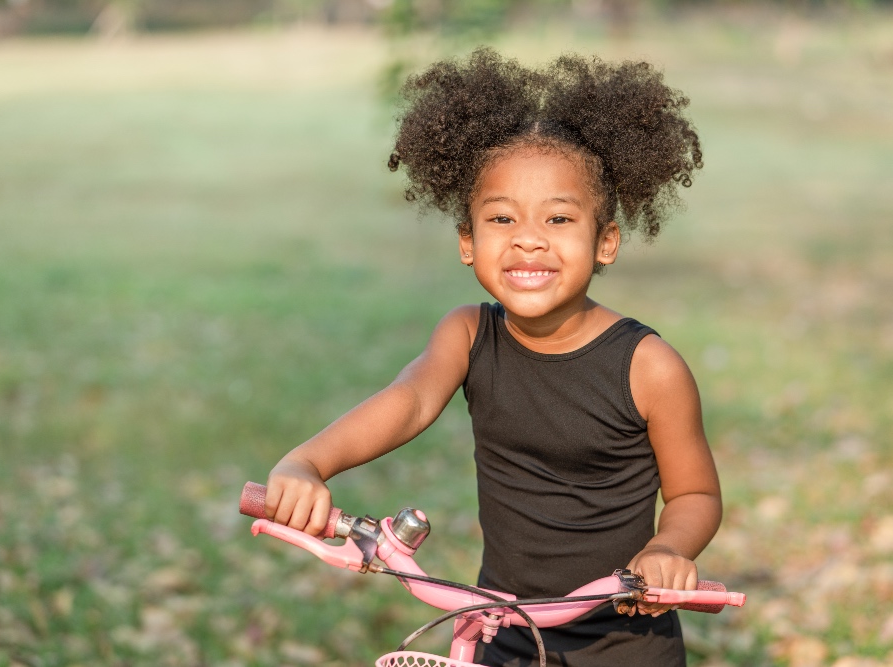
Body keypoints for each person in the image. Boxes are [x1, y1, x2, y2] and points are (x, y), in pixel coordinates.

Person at [263, 48, 721, 666]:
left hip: (625, 640)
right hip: (502, 628)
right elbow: (409, 401)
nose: (528, 237)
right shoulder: (467, 335)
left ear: (606, 240)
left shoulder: (648, 365)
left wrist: (668, 549)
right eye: (501, 218)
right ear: (467, 242)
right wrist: (305, 462)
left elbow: (696, 494)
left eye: (559, 218)